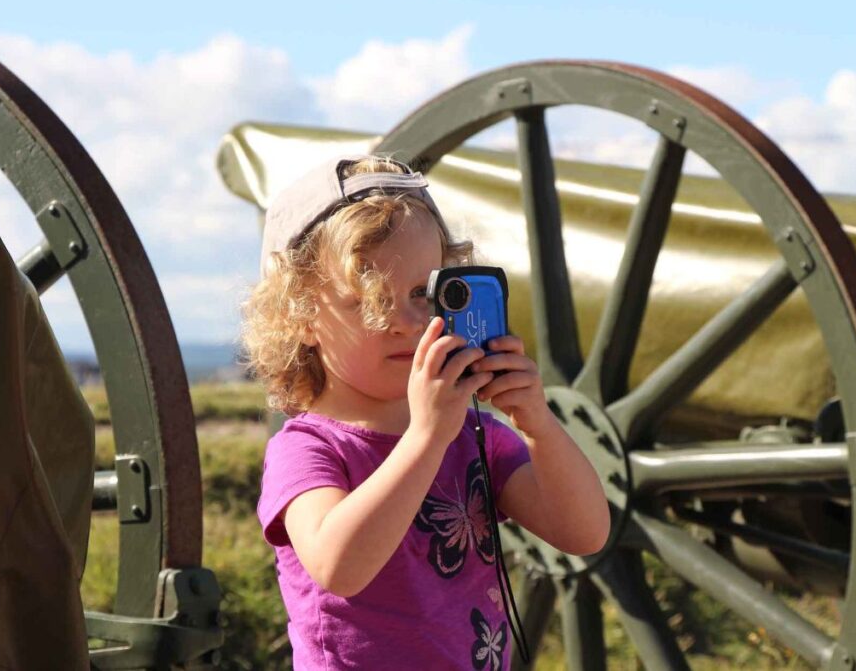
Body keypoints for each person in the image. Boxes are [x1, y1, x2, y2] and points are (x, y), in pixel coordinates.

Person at [244, 154, 610, 670]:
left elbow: (584, 533)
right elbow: (339, 567)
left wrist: (538, 424)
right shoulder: (306, 448)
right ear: (297, 316)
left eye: (423, 292)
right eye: (368, 300)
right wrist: (426, 437)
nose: (407, 321)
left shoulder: (473, 434)